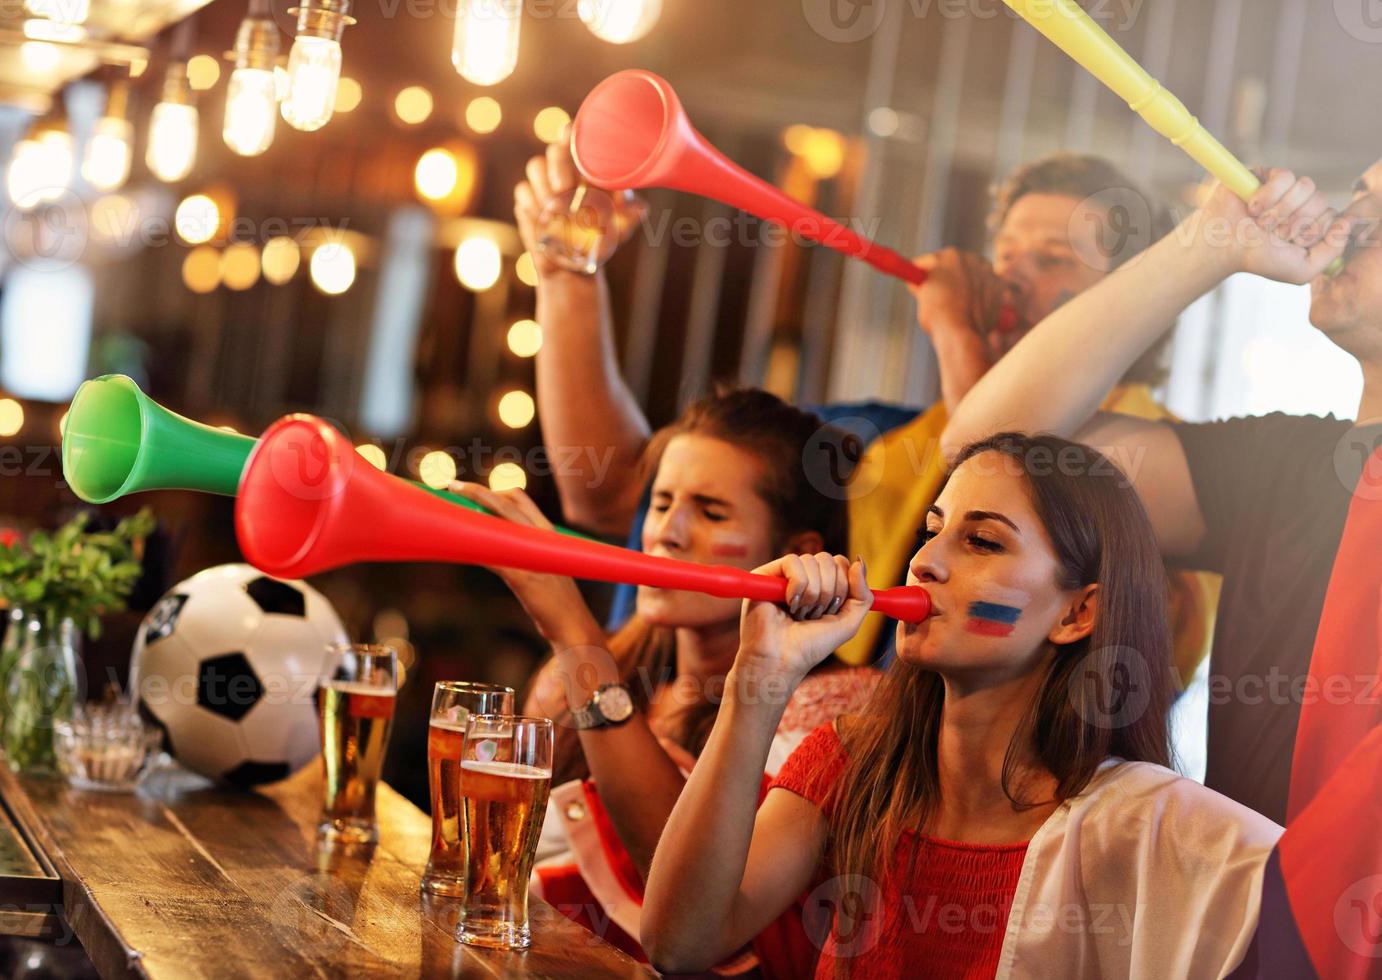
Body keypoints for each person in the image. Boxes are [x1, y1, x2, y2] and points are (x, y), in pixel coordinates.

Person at [515, 138, 1217, 676]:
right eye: (1004, 254)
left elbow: (1016, 472)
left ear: (1136, 303)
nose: (1008, 279)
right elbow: (611, 494)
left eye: (1053, 260)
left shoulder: (1184, 471)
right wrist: (566, 274)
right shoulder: (890, 437)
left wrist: (954, 334)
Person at [640, 433, 1281, 979]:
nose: (923, 563)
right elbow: (679, 942)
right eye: (934, 530)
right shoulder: (849, 762)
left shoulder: (1141, 823)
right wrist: (760, 680)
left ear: (1077, 613)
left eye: (982, 543)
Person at [940, 164, 1370, 826]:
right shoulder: (1284, 465)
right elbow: (992, 446)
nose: (1350, 226)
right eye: (1360, 197)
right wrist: (1213, 241)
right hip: (1252, 910)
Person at [449, 388, 880, 977]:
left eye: (710, 512)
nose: (667, 534)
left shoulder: (840, 708)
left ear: (797, 554)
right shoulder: (574, 679)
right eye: (661, 503)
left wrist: (576, 636)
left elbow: (691, 908)